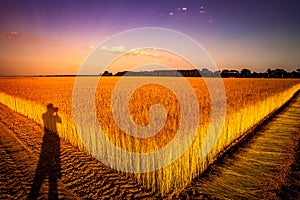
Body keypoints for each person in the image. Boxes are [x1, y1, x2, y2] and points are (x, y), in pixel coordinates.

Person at [28, 104, 62, 199]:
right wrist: (56, 113)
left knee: (47, 152)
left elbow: (58, 121)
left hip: (47, 137)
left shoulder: (44, 115)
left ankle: (48, 162)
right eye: (52, 108)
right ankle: (53, 166)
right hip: (54, 137)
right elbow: (60, 121)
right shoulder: (48, 116)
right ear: (50, 109)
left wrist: (55, 113)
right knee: (55, 153)